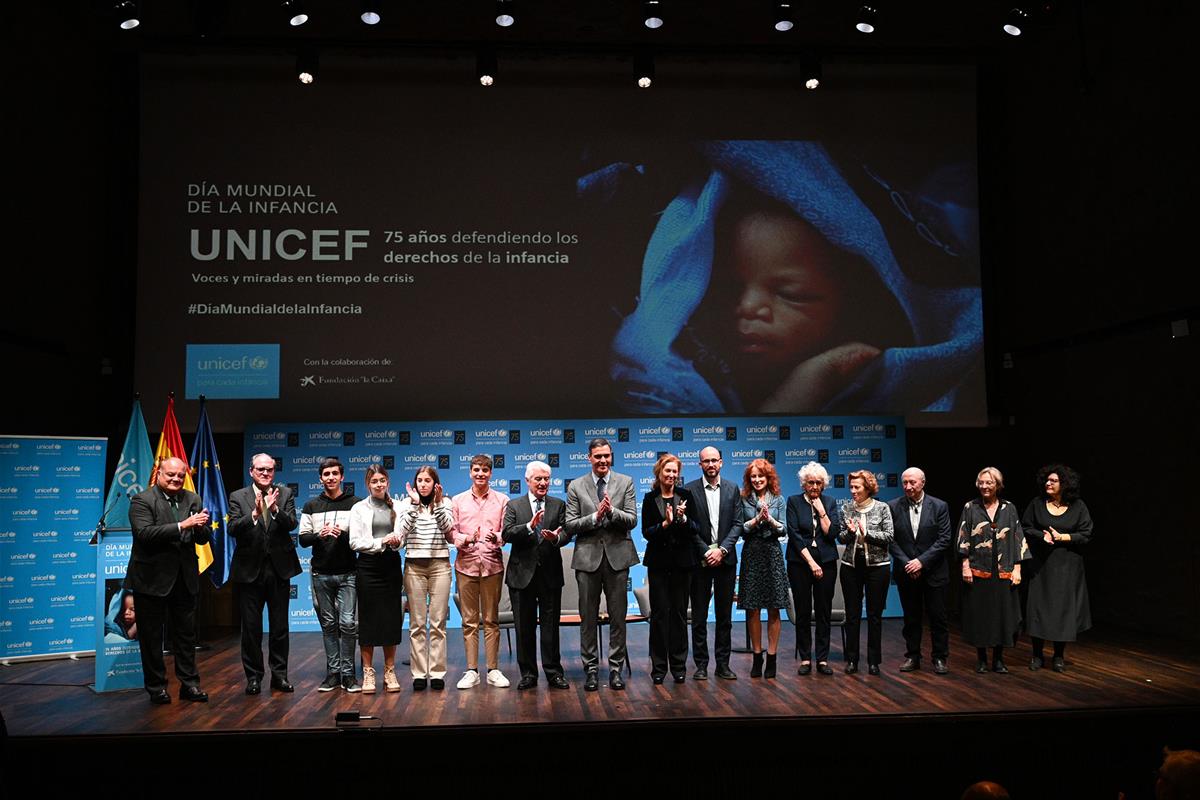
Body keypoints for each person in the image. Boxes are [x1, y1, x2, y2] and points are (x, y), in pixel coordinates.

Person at [590, 140, 982, 417]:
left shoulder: (862, 366)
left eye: (792, 294)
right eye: (726, 288)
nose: (749, 307)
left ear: (850, 302)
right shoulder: (692, 359)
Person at [124, 456, 210, 703]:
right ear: (158, 474)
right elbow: (145, 534)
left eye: (180, 476)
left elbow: (202, 539)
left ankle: (189, 685)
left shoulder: (192, 499)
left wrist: (201, 527)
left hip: (184, 579)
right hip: (151, 580)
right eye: (170, 475)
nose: (175, 479)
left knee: (185, 637)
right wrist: (183, 525)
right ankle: (156, 688)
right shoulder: (142, 500)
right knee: (151, 638)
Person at [564, 437, 639, 692]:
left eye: (606, 456)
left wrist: (611, 512)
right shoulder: (576, 486)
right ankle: (592, 670)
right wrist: (595, 516)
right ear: (589, 458)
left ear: (611, 456)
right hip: (587, 560)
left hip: (618, 559)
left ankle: (616, 669)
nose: (603, 461)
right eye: (598, 457)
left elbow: (631, 520)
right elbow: (571, 525)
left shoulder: (625, 482)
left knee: (618, 618)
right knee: (588, 618)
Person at [228, 453, 301, 695]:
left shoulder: (285, 493)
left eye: (269, 470)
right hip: (249, 571)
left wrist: (275, 509)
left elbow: (292, 524)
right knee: (251, 628)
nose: (265, 473)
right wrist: (255, 515)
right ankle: (254, 677)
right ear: (251, 471)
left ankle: (279, 676)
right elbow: (233, 529)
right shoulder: (238, 496)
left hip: (279, 569)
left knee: (280, 627)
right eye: (260, 469)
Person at [501, 460, 570, 690]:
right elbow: (507, 533)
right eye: (538, 479)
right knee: (524, 627)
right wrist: (529, 527)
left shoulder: (559, 504)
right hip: (522, 576)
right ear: (528, 481)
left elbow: (566, 532)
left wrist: (556, 539)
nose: (543, 483)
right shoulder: (514, 505)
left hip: (550, 575)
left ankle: (553, 673)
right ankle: (528, 674)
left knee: (550, 627)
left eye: (546, 479)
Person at [957, 466, 1030, 674]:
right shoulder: (970, 507)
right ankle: (981, 658)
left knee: (1001, 615)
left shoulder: (1009, 508)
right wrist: (965, 566)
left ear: (997, 485)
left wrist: (1017, 568)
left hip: (1004, 569)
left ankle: (998, 659)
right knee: (981, 614)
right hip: (978, 569)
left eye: (989, 482)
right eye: (981, 483)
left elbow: (1018, 538)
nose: (985, 486)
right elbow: (963, 537)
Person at [1022, 464, 1093, 673]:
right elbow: (1025, 527)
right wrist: (1041, 535)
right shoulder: (1037, 504)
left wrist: (1064, 537)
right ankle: (1036, 654)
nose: (1048, 483)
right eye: (1047, 480)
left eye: (1053, 481)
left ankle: (1058, 656)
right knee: (1039, 608)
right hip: (1041, 565)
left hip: (1067, 566)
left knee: (1062, 611)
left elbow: (1086, 533)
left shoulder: (1078, 506)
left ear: (1065, 484)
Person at [298, 456, 360, 692]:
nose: (331, 478)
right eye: (326, 474)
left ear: (342, 477)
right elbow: (303, 540)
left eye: (335, 473)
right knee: (329, 625)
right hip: (321, 573)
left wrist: (342, 533)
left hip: (348, 573)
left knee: (348, 624)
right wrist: (320, 534)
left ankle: (349, 674)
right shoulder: (311, 505)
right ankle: (333, 673)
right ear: (320, 478)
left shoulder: (356, 503)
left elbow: (360, 538)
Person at [450, 455, 510, 690]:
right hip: (466, 566)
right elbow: (452, 534)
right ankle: (472, 670)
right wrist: (467, 539)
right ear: (470, 472)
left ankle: (493, 669)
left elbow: (507, 532)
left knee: (491, 620)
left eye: (485, 470)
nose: (480, 474)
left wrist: (497, 537)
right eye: (476, 470)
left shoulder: (502, 500)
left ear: (491, 473)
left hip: (493, 565)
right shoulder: (458, 500)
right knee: (469, 621)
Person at [641, 454, 700, 684]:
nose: (672, 475)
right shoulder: (650, 498)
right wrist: (665, 524)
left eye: (675, 472)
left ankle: (678, 666)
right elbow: (647, 532)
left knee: (677, 615)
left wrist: (682, 520)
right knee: (659, 616)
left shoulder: (686, 497)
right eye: (668, 471)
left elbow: (695, 528)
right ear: (659, 473)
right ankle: (658, 668)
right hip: (657, 564)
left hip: (683, 564)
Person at [887, 466, 952, 674]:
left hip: (934, 572)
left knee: (938, 618)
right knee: (911, 618)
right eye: (905, 482)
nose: (908, 486)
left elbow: (944, 539)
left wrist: (921, 562)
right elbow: (891, 539)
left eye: (912, 482)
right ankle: (913, 656)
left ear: (922, 483)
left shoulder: (939, 506)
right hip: (907, 572)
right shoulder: (893, 506)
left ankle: (940, 658)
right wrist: (909, 563)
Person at [685, 446, 741, 681]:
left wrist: (723, 550)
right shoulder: (689, 490)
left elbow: (738, 523)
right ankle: (700, 665)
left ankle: (723, 665)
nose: (710, 464)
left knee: (724, 616)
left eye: (714, 460)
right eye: (705, 461)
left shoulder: (732, 488)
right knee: (698, 616)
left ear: (721, 462)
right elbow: (689, 527)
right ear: (700, 464)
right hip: (700, 561)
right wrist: (707, 551)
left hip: (726, 560)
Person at [348, 464, 405, 694]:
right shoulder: (358, 508)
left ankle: (390, 671)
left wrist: (396, 541)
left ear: (387, 482)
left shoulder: (398, 507)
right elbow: (355, 542)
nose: (378, 484)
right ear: (368, 484)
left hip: (391, 565)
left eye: (382, 480)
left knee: (391, 617)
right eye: (374, 481)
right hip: (368, 566)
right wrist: (381, 542)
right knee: (369, 618)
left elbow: (403, 538)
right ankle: (369, 672)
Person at [400, 465, 456, 691]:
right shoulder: (406, 503)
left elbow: (448, 529)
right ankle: (419, 674)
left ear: (435, 484)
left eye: (427, 480)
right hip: (414, 565)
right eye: (420, 480)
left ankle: (437, 672)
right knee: (416, 624)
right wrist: (414, 505)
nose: (423, 484)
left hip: (439, 565)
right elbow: (403, 531)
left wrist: (439, 504)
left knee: (438, 622)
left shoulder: (446, 502)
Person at [785, 461, 841, 676]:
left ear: (824, 484)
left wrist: (822, 511)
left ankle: (823, 659)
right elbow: (795, 535)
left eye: (818, 482)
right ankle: (806, 658)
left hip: (826, 562)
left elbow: (832, 533)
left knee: (824, 611)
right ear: (803, 484)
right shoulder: (793, 502)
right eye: (810, 482)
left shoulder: (830, 502)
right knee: (803, 611)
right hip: (800, 563)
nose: (815, 486)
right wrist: (811, 563)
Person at [734, 458, 789, 679]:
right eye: (753, 477)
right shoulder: (743, 499)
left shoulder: (779, 499)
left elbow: (784, 529)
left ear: (768, 478)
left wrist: (772, 521)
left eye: (761, 476)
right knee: (753, 608)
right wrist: (757, 519)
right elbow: (741, 528)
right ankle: (757, 657)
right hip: (752, 553)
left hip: (772, 554)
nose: (757, 480)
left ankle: (772, 657)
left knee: (774, 607)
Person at [837, 469, 894, 676]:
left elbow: (889, 536)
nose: (853, 491)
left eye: (857, 487)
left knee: (874, 615)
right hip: (851, 567)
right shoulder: (846, 509)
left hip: (877, 568)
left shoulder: (882, 508)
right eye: (851, 487)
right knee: (852, 615)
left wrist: (866, 533)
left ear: (868, 488)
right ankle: (852, 659)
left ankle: (873, 661)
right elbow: (841, 538)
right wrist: (850, 533)